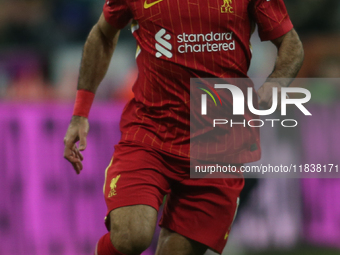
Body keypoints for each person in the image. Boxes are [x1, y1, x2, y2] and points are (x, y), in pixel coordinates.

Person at [63, 0, 304, 254]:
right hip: (151, 134)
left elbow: (291, 44)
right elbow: (103, 33)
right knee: (130, 236)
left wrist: (276, 83)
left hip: (220, 145)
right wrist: (80, 112)